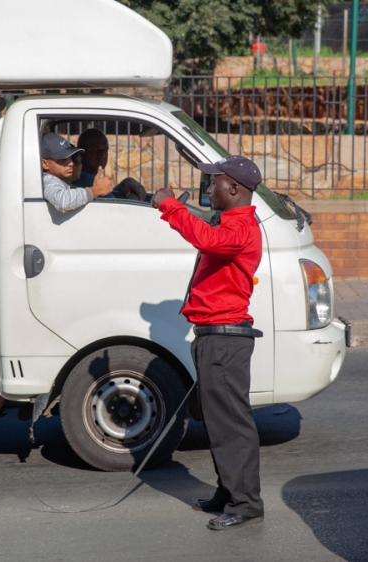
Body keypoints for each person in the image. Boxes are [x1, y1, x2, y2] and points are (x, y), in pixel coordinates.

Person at [152, 156, 265, 531]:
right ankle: (228, 492)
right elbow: (207, 227)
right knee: (219, 424)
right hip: (213, 338)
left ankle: (246, 503)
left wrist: (170, 206)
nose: (208, 188)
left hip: (225, 340)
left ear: (233, 188)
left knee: (232, 425)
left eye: (213, 182)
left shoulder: (242, 227)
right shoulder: (230, 221)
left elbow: (206, 238)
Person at [41, 132, 112, 213]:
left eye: (70, 157)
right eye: (62, 160)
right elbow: (62, 201)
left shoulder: (55, 180)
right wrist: (96, 191)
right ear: (45, 164)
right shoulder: (48, 180)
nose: (71, 163)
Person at [73, 128, 147, 201]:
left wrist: (122, 185)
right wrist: (136, 199)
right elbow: (117, 210)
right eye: (94, 150)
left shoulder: (80, 180)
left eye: (105, 150)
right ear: (81, 153)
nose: (102, 155)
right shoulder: (86, 179)